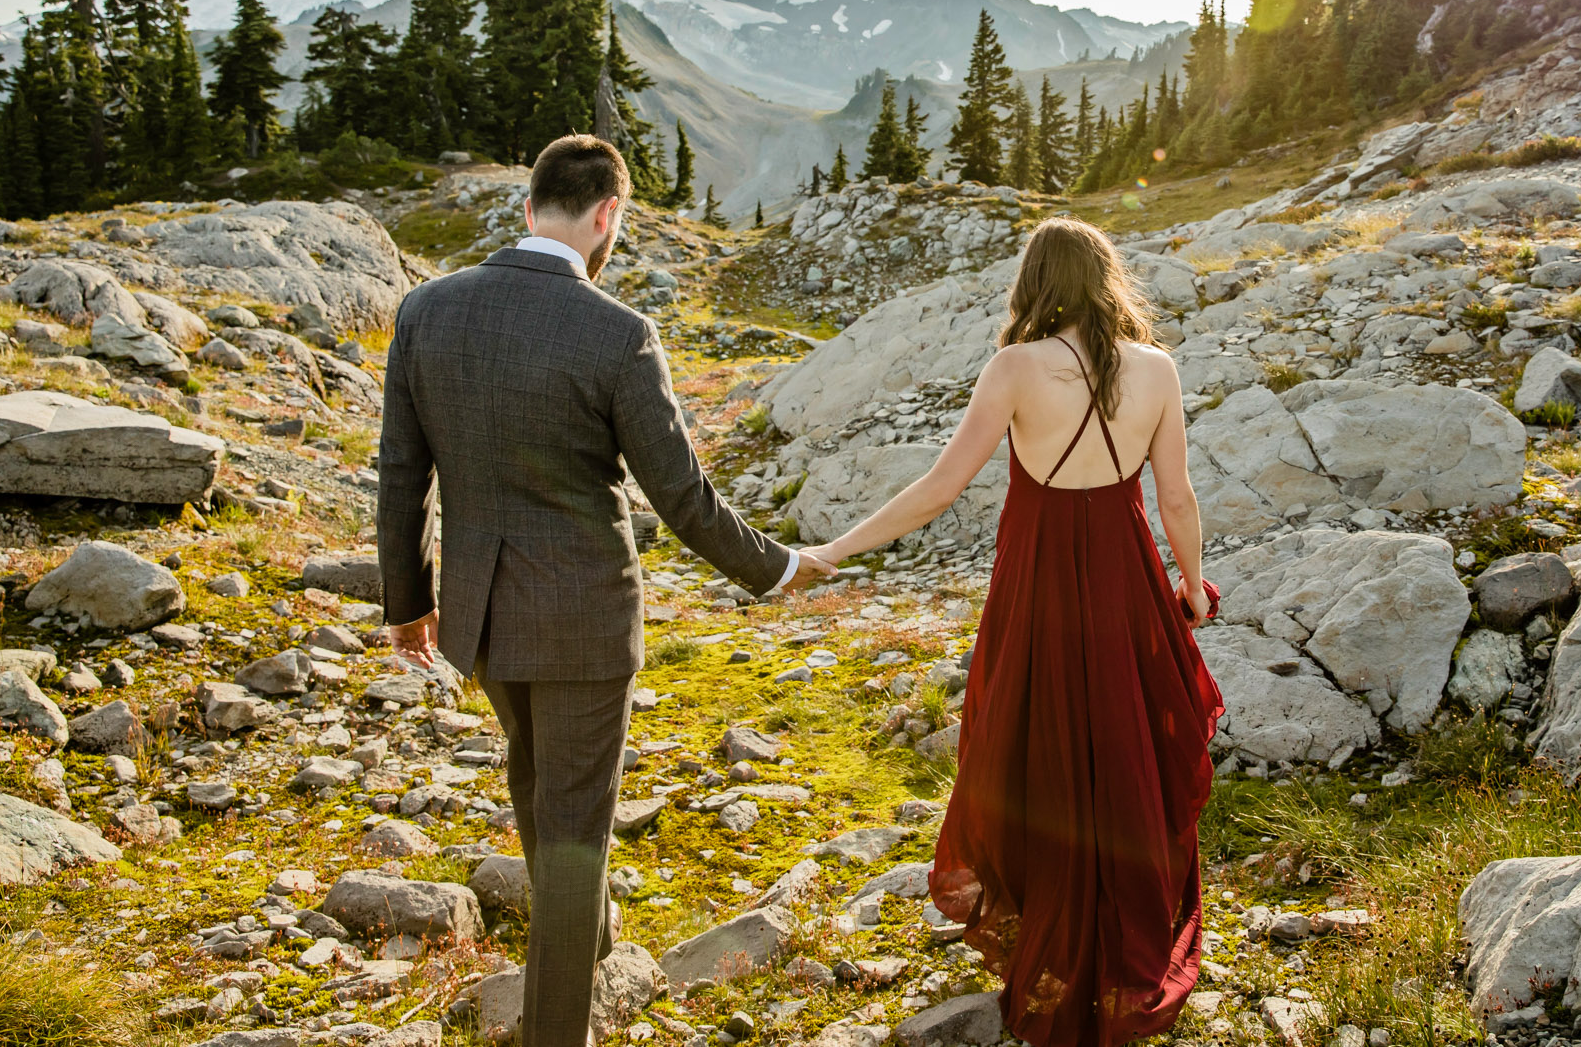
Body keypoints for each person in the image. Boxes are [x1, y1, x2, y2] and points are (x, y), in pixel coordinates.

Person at [377, 134, 834, 1047]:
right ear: (607, 216)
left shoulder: (425, 309)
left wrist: (406, 601)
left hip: (480, 612)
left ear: (528, 206)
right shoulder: (617, 332)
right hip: (583, 619)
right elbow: (682, 495)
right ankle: (558, 1031)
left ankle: (588, 942)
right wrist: (777, 566)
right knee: (575, 815)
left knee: (536, 777)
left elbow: (400, 473)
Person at [801, 214, 1222, 1047]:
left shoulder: (1016, 366)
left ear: (1034, 284)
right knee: (1125, 746)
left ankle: (1048, 916)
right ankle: (1121, 935)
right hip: (1127, 581)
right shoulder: (1156, 368)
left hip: (1037, 588)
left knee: (1035, 741)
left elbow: (939, 487)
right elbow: (1174, 496)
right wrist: (1189, 584)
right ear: (1107, 282)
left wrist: (838, 546)